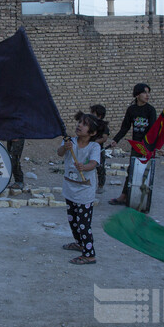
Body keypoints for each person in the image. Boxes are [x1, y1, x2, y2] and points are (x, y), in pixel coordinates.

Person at [59, 112, 103, 265]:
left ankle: (89, 254)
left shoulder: (94, 146)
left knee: (84, 224)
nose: (79, 125)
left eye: (84, 124)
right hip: (70, 189)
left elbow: (94, 163)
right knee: (73, 221)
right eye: (79, 123)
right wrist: (65, 148)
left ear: (92, 132)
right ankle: (79, 243)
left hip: (84, 192)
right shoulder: (70, 141)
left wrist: (84, 167)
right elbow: (59, 153)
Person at [108, 83, 155, 205]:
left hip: (147, 147)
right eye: (145, 92)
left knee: (145, 172)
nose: (147, 95)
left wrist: (149, 146)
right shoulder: (131, 110)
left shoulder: (150, 110)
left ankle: (142, 200)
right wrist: (116, 140)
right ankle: (124, 196)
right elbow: (125, 127)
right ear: (137, 94)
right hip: (136, 146)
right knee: (132, 170)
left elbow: (153, 131)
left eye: (148, 92)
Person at [90, 104, 109, 195]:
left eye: (93, 113)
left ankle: (101, 186)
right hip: (88, 150)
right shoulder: (89, 125)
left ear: (99, 115)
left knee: (100, 168)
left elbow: (104, 138)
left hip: (99, 151)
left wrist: (94, 143)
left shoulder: (103, 126)